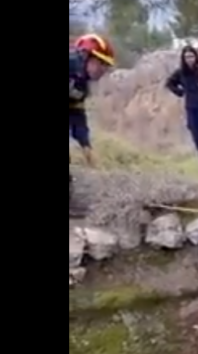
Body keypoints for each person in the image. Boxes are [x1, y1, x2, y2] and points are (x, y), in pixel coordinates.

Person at [69, 33, 115, 218]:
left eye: (107, 66)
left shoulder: (82, 85)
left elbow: (76, 114)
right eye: (101, 63)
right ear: (87, 57)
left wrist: (86, 145)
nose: (104, 70)